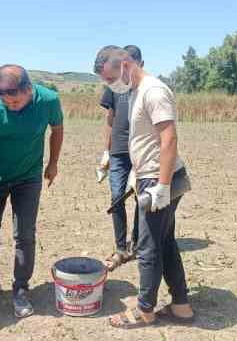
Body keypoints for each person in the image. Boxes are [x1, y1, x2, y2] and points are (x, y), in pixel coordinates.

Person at [93, 45, 194, 328]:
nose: (110, 85)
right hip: (148, 177)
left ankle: (145, 311)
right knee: (165, 243)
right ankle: (181, 305)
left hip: (159, 179)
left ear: (126, 64)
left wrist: (161, 186)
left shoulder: (154, 91)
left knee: (148, 248)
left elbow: (169, 139)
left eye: (111, 78)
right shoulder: (136, 92)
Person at [0, 65, 64, 318]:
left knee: (24, 234)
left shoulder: (49, 100)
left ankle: (21, 288)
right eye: (6, 103)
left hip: (28, 178)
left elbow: (57, 128)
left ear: (29, 90)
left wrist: (53, 162)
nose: (11, 106)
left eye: (16, 101)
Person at [99, 45, 144, 272]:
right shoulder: (113, 88)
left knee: (139, 197)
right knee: (117, 196)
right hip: (118, 151)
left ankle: (136, 242)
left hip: (139, 152)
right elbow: (110, 118)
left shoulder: (144, 87)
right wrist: (105, 151)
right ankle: (120, 247)